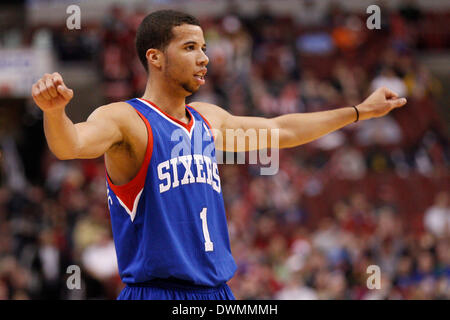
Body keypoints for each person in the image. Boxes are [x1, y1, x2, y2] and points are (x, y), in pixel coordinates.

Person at [31, 10, 407, 300]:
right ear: (155, 57)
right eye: (190, 48)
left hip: (217, 291)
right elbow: (71, 145)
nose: (204, 58)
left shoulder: (209, 119)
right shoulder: (125, 119)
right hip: (156, 290)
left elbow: (283, 130)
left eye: (205, 49)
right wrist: (54, 112)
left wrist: (359, 111)